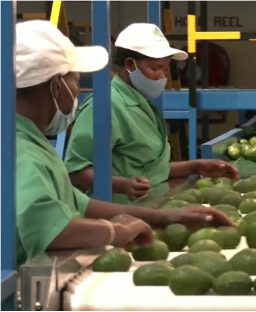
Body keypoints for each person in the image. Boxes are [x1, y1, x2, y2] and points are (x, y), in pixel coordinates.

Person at [14, 20, 233, 267]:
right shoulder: (19, 150)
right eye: (76, 81)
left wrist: (165, 217)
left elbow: (77, 203)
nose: (77, 91)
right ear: (57, 86)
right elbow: (51, 227)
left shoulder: (30, 140)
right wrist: (113, 231)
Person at [64, 23, 239, 203]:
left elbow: (151, 170)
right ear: (130, 64)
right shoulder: (105, 106)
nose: (162, 76)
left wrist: (197, 166)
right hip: (118, 212)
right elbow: (76, 171)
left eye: (165, 68)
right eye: (155, 68)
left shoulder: (142, 104)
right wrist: (123, 185)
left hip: (151, 205)